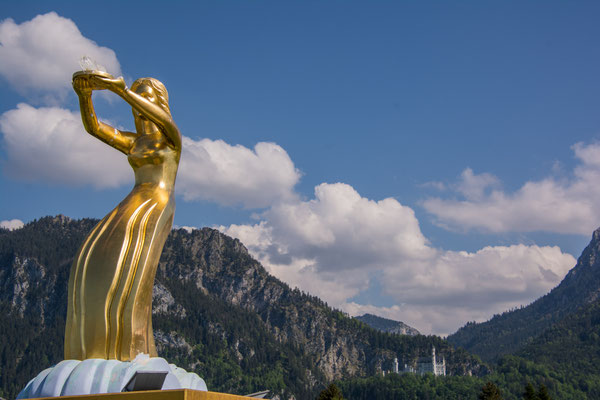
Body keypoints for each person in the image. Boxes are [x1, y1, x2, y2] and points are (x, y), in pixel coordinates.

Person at [65, 72, 181, 361]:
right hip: (134, 199)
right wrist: (84, 96)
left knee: (134, 269)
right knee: (95, 260)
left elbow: (163, 121)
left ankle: (131, 349)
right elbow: (94, 128)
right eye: (136, 97)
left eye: (145, 96)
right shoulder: (135, 142)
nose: (138, 104)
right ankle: (97, 349)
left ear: (159, 102)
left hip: (157, 202)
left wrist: (121, 91)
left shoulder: (171, 140)